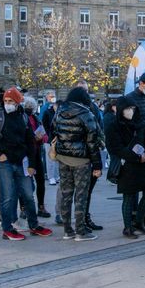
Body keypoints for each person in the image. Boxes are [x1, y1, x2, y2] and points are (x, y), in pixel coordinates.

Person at [0, 88, 52, 241]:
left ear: (18, 102)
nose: (8, 104)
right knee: (8, 196)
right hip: (5, 162)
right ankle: (7, 228)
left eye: (11, 101)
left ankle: (34, 225)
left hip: (22, 161)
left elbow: (30, 141)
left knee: (28, 195)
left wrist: (32, 164)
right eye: (6, 101)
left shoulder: (24, 117)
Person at [53, 87, 103, 241]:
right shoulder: (86, 114)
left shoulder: (59, 112)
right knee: (80, 196)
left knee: (66, 194)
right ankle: (80, 231)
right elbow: (92, 142)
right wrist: (97, 165)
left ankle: (68, 230)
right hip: (81, 160)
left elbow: (54, 130)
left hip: (63, 158)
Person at [105, 95, 145, 238]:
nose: (130, 111)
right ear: (121, 109)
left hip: (143, 163)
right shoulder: (113, 126)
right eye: (127, 108)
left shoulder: (139, 123)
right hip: (127, 165)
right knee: (129, 196)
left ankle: (138, 221)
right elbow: (116, 148)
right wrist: (137, 157)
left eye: (132, 108)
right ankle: (128, 227)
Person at [124, 72, 145, 227]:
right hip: (137, 144)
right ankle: (133, 215)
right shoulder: (130, 98)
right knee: (135, 183)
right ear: (141, 83)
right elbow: (129, 123)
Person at [23, 97, 51, 218]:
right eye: (27, 106)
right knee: (26, 181)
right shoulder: (22, 118)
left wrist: (42, 137)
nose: (30, 109)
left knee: (40, 181)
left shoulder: (36, 118)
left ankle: (40, 206)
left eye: (31, 106)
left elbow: (44, 135)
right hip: (26, 152)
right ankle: (25, 207)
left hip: (37, 150)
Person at [41, 98, 59, 186]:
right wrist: (48, 134)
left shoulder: (60, 113)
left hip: (58, 138)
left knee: (57, 158)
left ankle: (56, 175)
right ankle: (51, 176)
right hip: (49, 138)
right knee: (50, 159)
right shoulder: (47, 112)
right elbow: (44, 124)